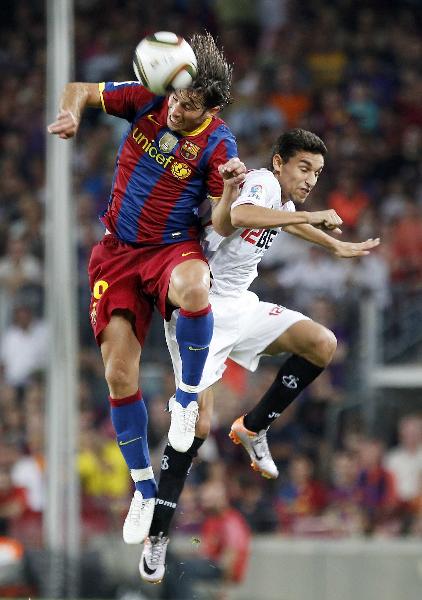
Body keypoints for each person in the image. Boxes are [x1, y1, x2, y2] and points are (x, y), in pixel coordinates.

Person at [140, 128, 380, 582]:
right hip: (201, 311)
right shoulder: (260, 183)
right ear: (278, 163)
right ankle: (157, 536)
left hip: (242, 305)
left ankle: (253, 427)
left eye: (317, 173)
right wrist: (312, 216)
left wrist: (336, 246)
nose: (310, 179)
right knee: (195, 431)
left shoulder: (283, 200)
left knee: (322, 343)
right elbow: (246, 214)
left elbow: (290, 219)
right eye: (304, 168)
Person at [47, 32, 246, 545]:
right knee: (117, 371)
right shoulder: (147, 98)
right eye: (177, 98)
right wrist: (71, 113)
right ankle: (142, 487)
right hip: (116, 251)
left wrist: (228, 188)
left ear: (213, 106)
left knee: (195, 286)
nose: (178, 109)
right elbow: (80, 88)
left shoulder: (220, 144)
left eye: (190, 105)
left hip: (171, 248)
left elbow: (221, 226)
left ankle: (184, 398)